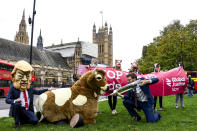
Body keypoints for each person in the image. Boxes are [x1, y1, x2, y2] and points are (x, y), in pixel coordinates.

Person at [5, 60, 55, 129]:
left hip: (27, 109)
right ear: (14, 77)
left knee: (35, 121)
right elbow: (7, 99)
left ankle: (22, 120)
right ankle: (16, 123)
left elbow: (38, 92)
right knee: (17, 104)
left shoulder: (30, 88)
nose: (25, 79)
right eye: (20, 76)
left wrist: (48, 89)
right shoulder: (13, 88)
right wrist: (15, 101)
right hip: (18, 108)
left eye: (27, 76)